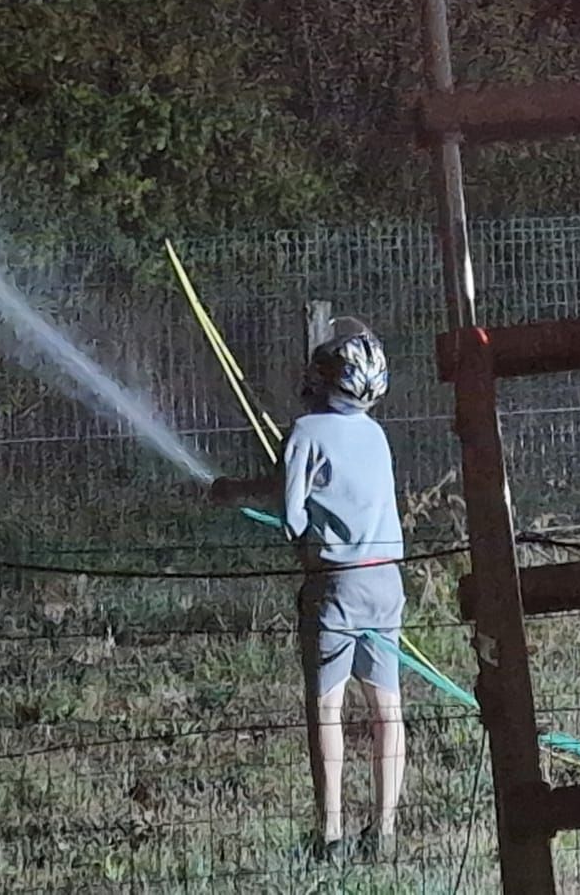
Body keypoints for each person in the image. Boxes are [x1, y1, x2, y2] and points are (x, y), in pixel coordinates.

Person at [211, 318, 407, 862]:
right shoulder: (376, 433)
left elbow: (292, 515)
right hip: (387, 582)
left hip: (335, 587)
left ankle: (332, 835)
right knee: (385, 709)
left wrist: (232, 494)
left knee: (327, 710)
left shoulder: (303, 432)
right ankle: (385, 831)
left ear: (325, 378)